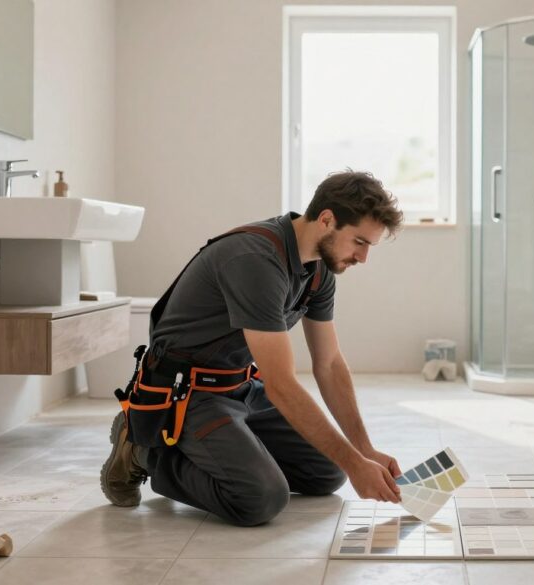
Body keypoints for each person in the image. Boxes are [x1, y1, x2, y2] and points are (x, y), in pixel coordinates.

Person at [100, 170, 405, 526]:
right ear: (327, 220)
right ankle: (143, 448)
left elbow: (330, 363)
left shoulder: (319, 270)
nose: (363, 257)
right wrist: (356, 464)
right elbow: (282, 385)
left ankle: (234, 443)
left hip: (240, 387)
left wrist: (362, 451)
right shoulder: (255, 260)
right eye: (360, 242)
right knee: (259, 498)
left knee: (327, 473)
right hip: (188, 393)